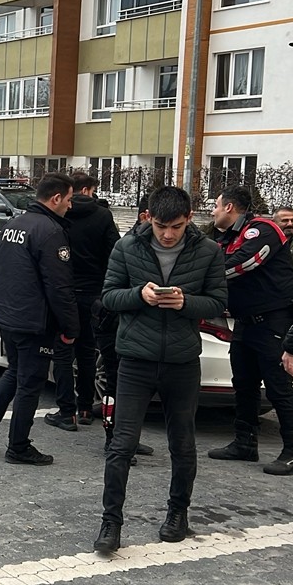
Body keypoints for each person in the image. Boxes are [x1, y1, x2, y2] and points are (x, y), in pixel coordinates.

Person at [93, 186, 228, 553]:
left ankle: (177, 514)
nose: (168, 234)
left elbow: (218, 301)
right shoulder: (127, 247)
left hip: (182, 362)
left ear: (190, 219)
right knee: (121, 445)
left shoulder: (208, 251)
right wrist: (140, 295)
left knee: (182, 444)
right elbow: (108, 296)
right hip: (136, 359)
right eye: (161, 226)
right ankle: (111, 523)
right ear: (148, 218)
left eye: (177, 226)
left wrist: (185, 302)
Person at [0, 172, 78, 465]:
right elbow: (59, 286)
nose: (70, 206)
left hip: (9, 316)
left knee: (15, 373)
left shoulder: (13, 225)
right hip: (34, 322)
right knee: (30, 383)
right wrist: (70, 327)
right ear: (55, 198)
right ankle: (18, 446)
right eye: (68, 200)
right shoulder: (51, 232)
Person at [207, 186, 293, 476]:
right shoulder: (226, 236)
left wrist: (205, 277)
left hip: (274, 321)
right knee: (244, 383)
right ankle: (244, 443)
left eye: (215, 205)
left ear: (229, 207)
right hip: (246, 322)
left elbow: (243, 264)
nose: (212, 211)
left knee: (278, 387)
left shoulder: (263, 229)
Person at [45, 173, 120, 431]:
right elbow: (115, 253)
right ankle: (86, 407)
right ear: (87, 190)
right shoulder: (102, 216)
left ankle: (67, 410)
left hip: (64, 292)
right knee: (88, 351)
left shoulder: (58, 215)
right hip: (93, 293)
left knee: (63, 352)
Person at [93, 195, 156, 464]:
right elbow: (113, 289)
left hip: (136, 325)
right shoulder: (128, 246)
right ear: (145, 216)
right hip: (112, 321)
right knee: (116, 382)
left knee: (137, 385)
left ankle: (127, 436)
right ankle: (114, 439)